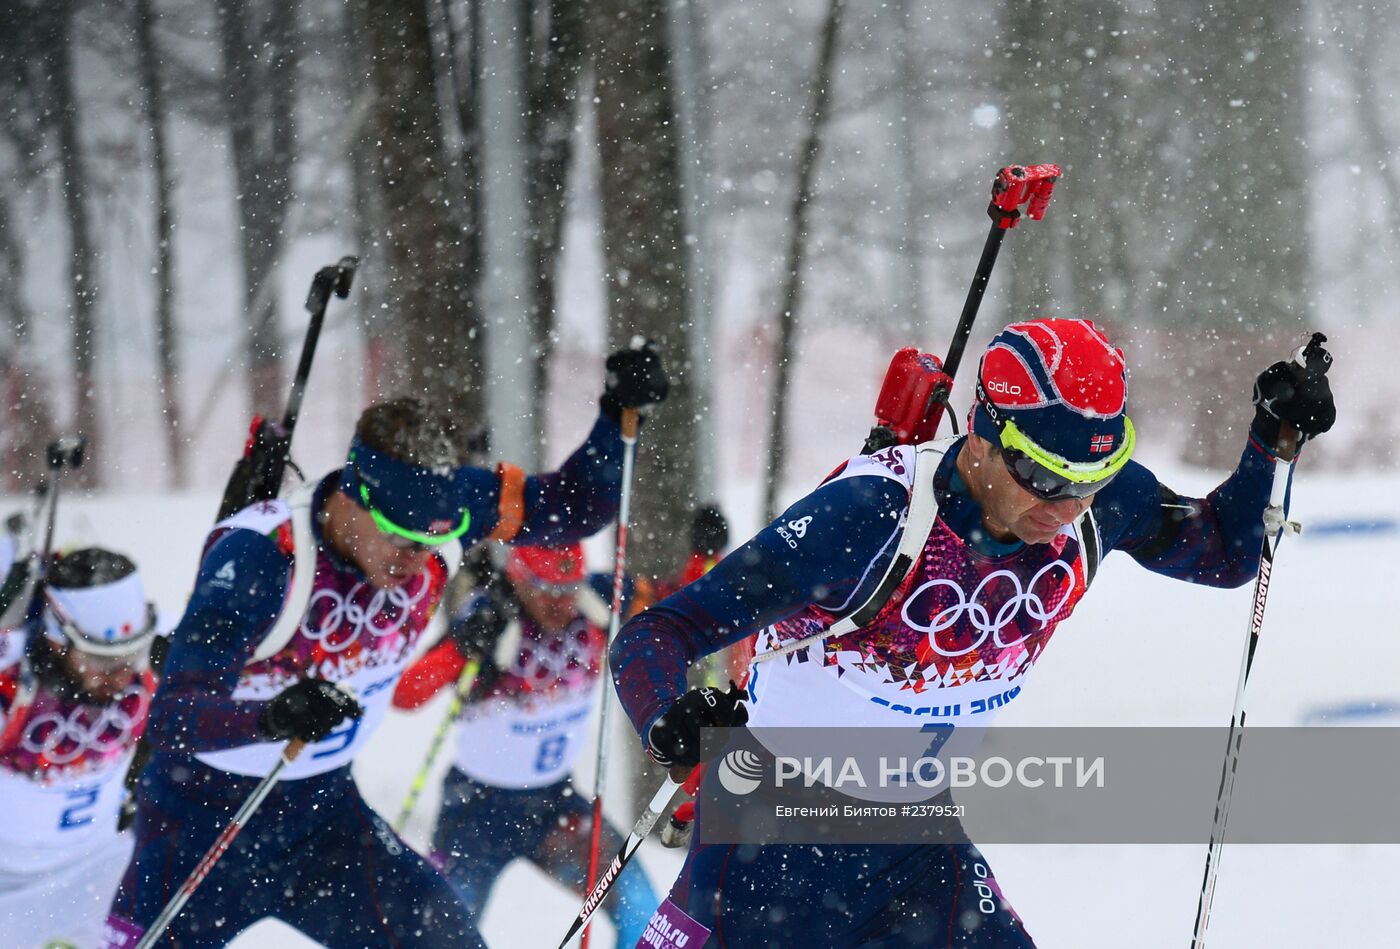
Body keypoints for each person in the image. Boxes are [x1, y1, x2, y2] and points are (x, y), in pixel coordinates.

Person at [609, 319, 1335, 947]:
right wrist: (667, 718)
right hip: (771, 841)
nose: (1066, 503)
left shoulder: (1093, 502)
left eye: (1092, 477)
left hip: (919, 843)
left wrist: (1271, 440)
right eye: (1043, 476)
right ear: (984, 438)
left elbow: (1224, 551)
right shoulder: (869, 517)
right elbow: (656, 633)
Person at [106, 343, 669, 948]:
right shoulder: (260, 561)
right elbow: (173, 715)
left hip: (326, 823)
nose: (416, 562)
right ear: (354, 497)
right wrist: (273, 716)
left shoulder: (453, 504)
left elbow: (571, 506)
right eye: (401, 540)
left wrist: (615, 418)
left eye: (435, 544)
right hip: (200, 828)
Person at [393, 542, 659, 947]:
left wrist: (694, 562)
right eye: (547, 589)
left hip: (555, 805)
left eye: (569, 588)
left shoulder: (597, 609)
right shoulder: (492, 619)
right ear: (518, 578)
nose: (561, 603)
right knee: (442, 934)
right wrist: (462, 646)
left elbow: (673, 603)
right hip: (476, 813)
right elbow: (406, 695)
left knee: (642, 908)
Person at [0, 548, 160, 949]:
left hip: (99, 872)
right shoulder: (14, 684)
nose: (121, 676)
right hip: (9, 882)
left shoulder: (142, 675)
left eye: (131, 656)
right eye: (102, 662)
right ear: (56, 641)